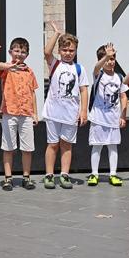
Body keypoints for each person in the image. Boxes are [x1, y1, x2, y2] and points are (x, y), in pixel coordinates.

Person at [42, 24, 88, 189]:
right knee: (53, 144)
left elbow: (83, 90)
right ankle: (49, 174)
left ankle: (64, 174)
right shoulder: (55, 64)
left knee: (67, 145)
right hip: (53, 112)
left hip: (71, 113)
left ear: (75, 51)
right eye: (65, 50)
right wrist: (56, 34)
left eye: (71, 50)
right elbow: (47, 52)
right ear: (60, 50)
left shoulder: (79, 68)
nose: (68, 53)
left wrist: (83, 111)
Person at [0, 36, 39, 191]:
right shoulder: (5, 69)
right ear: (10, 51)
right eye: (17, 51)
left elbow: (33, 93)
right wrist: (8, 66)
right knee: (8, 147)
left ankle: (26, 177)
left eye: (23, 52)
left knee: (27, 148)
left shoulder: (29, 71)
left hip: (26, 113)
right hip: (9, 111)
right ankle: (8, 177)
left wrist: (35, 113)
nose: (20, 54)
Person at [88, 43, 129, 186]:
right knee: (97, 146)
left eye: (112, 59)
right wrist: (106, 55)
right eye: (107, 59)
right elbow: (96, 68)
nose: (110, 62)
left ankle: (113, 174)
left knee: (113, 147)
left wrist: (123, 116)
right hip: (98, 118)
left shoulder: (118, 76)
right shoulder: (99, 75)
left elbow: (123, 96)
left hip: (113, 118)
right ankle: (94, 174)